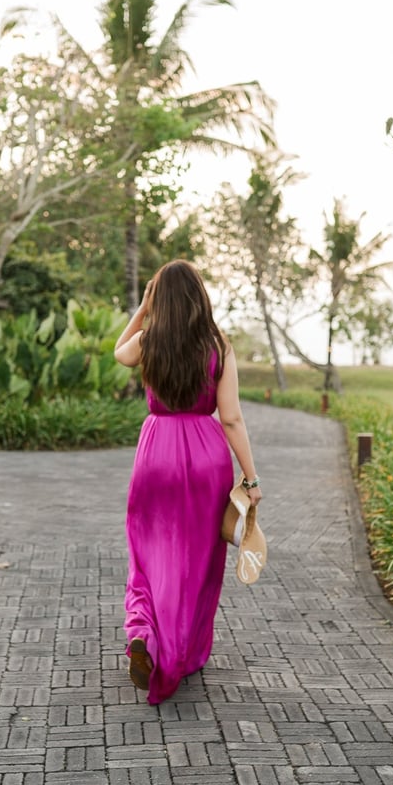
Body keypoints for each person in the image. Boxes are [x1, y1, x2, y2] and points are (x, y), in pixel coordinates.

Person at [114, 259, 263, 705]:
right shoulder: (218, 344)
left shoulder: (149, 339)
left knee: (149, 553)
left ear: (159, 299)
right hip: (205, 455)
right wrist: (251, 478)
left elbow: (119, 352)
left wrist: (142, 310)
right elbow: (231, 417)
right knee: (198, 560)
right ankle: (185, 652)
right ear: (200, 296)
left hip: (156, 449)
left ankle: (145, 632)